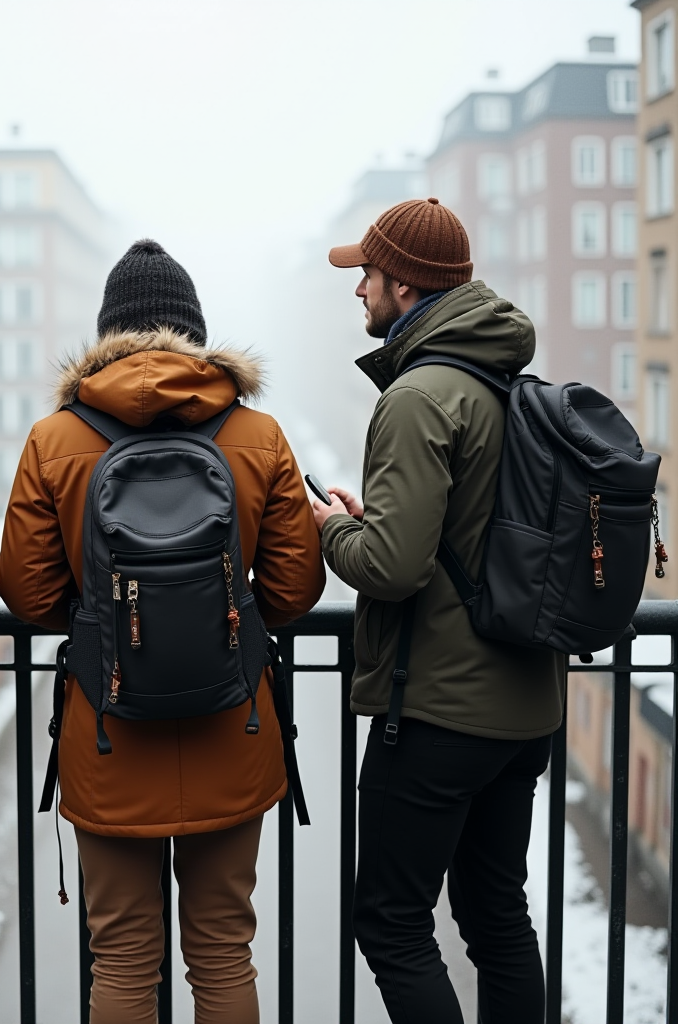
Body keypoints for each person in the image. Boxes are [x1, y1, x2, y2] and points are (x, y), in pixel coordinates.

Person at [0, 239, 325, 1024]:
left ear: (107, 331)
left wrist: (106, 618)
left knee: (121, 961)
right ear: (195, 331)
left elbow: (29, 593)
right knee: (221, 954)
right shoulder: (260, 436)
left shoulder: (55, 441)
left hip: (108, 737)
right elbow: (293, 588)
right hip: (233, 728)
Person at [315, 198, 565, 1024]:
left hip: (437, 717)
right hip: (526, 707)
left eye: (366, 275)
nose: (358, 291)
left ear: (404, 283)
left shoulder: (422, 394)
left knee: (390, 923)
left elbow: (390, 567)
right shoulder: (502, 378)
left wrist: (332, 531)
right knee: (497, 917)